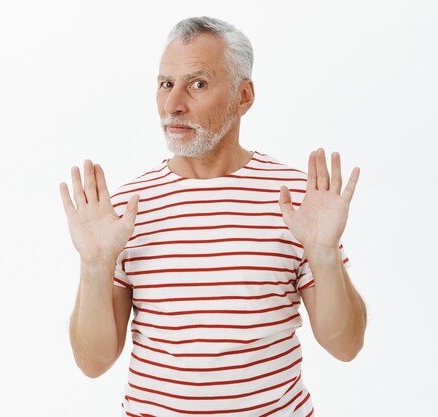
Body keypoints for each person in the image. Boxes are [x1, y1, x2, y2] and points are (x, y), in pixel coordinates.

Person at [60, 16, 367, 417]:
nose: (173, 105)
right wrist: (95, 265)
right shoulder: (124, 210)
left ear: (244, 96)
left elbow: (346, 346)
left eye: (197, 84)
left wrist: (324, 254)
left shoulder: (297, 201)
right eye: (166, 84)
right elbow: (93, 362)